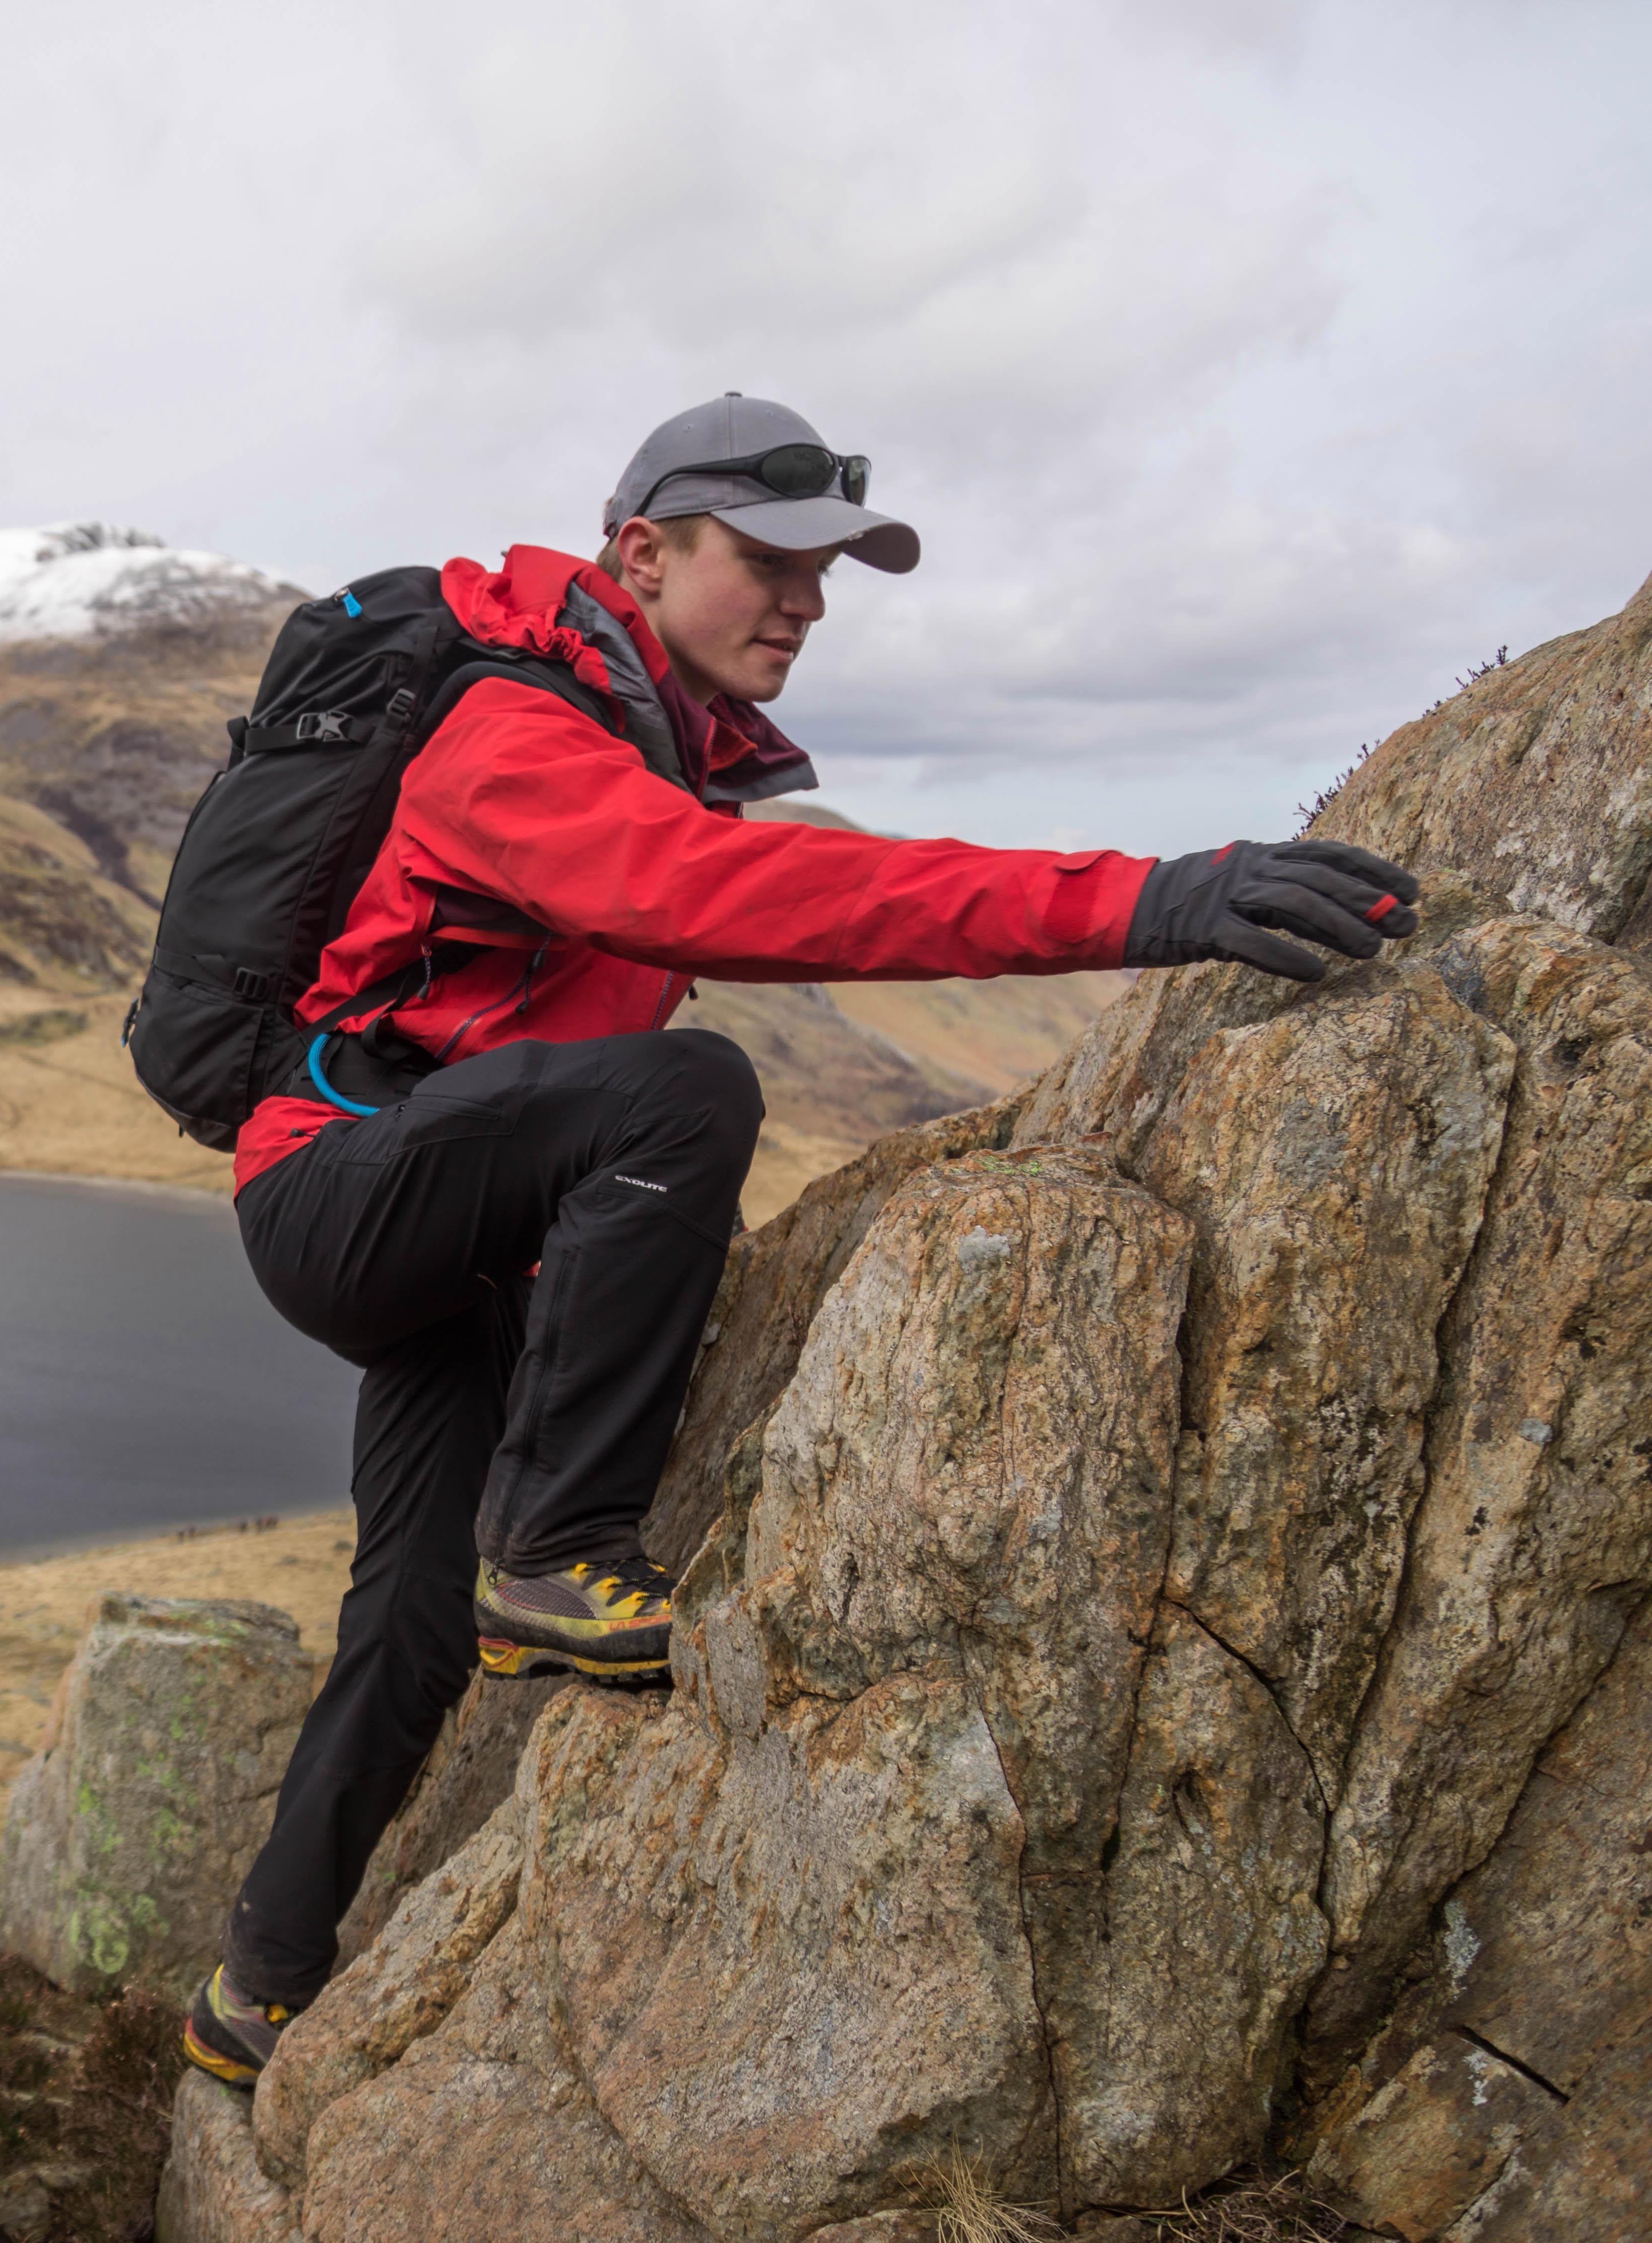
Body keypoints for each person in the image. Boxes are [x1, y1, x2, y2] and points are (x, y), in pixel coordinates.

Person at [180, 394, 1419, 2084]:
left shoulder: (654, 747)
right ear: (641, 553)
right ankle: (556, 1551)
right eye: (765, 562)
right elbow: (709, 905)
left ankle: (253, 1988)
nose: (808, 603)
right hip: (340, 1186)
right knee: (684, 1090)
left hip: (458, 1228)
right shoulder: (516, 738)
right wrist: (1149, 898)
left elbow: (756, 904)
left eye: (828, 574)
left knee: (406, 1620)